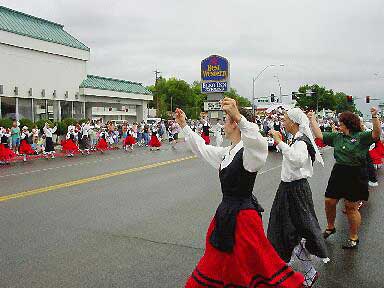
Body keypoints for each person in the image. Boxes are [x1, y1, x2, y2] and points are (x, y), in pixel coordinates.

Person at [176, 98, 304, 288]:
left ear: (235, 123)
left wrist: (238, 116)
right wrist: (185, 126)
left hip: (243, 221)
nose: (223, 124)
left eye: (226, 120)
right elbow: (203, 149)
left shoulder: (249, 153)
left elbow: (259, 143)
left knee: (248, 270)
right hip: (226, 216)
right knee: (225, 268)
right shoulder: (228, 152)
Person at [268, 108, 329, 287]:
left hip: (295, 191)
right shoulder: (296, 139)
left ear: (294, 123)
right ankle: (288, 267)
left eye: (285, 119)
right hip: (288, 189)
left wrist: (280, 142)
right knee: (286, 230)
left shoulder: (301, 141)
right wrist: (281, 141)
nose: (283, 122)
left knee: (292, 230)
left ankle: (302, 270)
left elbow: (297, 160)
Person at [308, 108, 381, 249]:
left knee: (350, 207)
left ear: (347, 124)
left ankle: (353, 237)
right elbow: (319, 135)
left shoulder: (361, 136)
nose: (338, 125)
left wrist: (374, 116)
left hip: (356, 173)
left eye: (340, 123)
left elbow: (376, 133)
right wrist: (312, 119)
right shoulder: (337, 137)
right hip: (339, 172)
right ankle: (330, 227)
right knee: (329, 201)